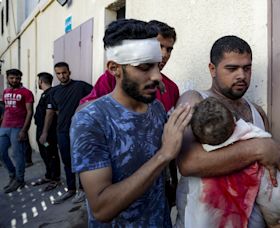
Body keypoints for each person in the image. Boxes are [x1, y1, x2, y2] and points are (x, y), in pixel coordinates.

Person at [70, 19, 192, 227]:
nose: (156, 75)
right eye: (145, 67)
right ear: (115, 68)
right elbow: (102, 208)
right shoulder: (90, 120)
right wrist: (164, 155)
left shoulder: (156, 108)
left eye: (156, 65)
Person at [175, 35, 280, 228]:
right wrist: (256, 148)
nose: (241, 75)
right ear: (212, 69)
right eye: (232, 69)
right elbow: (188, 163)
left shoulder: (258, 113)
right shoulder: (194, 101)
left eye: (247, 68)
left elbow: (271, 169)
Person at [189, 97, 280, 227]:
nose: (240, 75)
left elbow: (272, 150)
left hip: (271, 200)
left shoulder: (208, 145)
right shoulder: (247, 130)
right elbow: (271, 145)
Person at [39, 62, 92, 204]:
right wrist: (44, 132)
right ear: (56, 74)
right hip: (62, 131)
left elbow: (96, 100)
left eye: (64, 72)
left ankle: (82, 190)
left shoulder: (81, 86)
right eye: (59, 73)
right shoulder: (54, 92)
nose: (62, 76)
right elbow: (50, 113)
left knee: (81, 160)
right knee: (67, 161)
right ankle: (70, 189)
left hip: (80, 130)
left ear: (69, 72)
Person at [0, 69, 34, 193]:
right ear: (8, 78)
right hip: (4, 127)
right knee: (1, 153)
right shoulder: (5, 92)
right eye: (12, 78)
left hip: (18, 127)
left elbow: (30, 112)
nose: (14, 80)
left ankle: (20, 179)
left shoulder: (27, 92)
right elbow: (5, 109)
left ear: (20, 78)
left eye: (17, 78)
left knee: (17, 155)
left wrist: (24, 130)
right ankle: (12, 175)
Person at [32, 72, 61, 191]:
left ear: (40, 82)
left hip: (48, 132)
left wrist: (45, 133)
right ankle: (49, 176)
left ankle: (55, 179)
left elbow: (50, 114)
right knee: (45, 153)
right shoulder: (46, 94)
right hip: (42, 130)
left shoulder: (50, 94)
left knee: (51, 153)